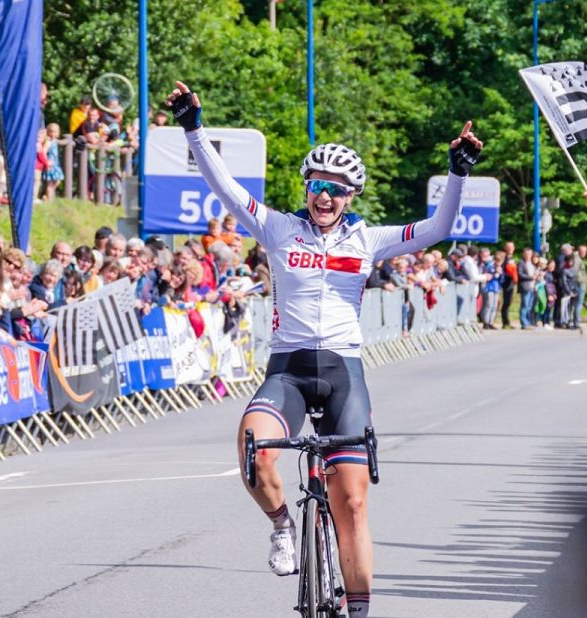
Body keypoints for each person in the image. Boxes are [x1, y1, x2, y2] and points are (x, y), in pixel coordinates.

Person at [166, 80, 481, 617]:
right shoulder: (276, 229)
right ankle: (283, 526)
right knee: (252, 450)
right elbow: (223, 189)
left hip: (343, 372)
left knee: (352, 504)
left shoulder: (369, 240)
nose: (326, 196)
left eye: (337, 188)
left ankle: (358, 611)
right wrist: (194, 129)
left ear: (351, 196)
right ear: (307, 187)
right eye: (318, 185)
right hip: (287, 370)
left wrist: (457, 171)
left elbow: (440, 227)